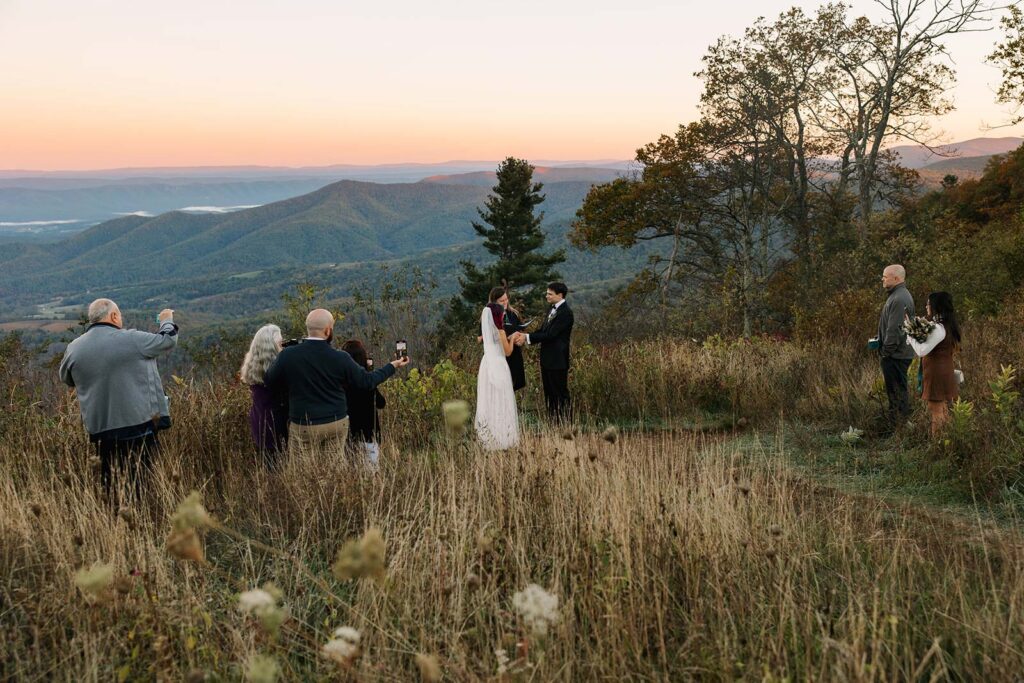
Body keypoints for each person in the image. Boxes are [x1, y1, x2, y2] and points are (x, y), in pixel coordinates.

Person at [58, 298, 178, 502]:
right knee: (139, 481)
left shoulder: (74, 348)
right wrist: (167, 320)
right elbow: (167, 340)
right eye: (119, 314)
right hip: (137, 426)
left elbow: (66, 378)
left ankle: (115, 524)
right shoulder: (131, 339)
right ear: (113, 316)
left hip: (100, 431)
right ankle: (140, 523)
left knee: (111, 483)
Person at [264, 309, 408, 461]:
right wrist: (393, 365)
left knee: (302, 471)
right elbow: (367, 381)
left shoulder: (288, 355)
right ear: (327, 331)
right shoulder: (341, 357)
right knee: (333, 467)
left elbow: (269, 381)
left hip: (304, 423)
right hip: (336, 422)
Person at [513, 282, 574, 421]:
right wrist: (525, 336)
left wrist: (526, 338)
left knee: (560, 393)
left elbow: (551, 335)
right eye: (547, 293)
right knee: (549, 393)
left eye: (549, 294)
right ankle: (553, 422)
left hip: (558, 360)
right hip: (547, 359)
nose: (546, 296)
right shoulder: (551, 309)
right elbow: (543, 331)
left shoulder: (565, 313)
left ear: (560, 295)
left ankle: (565, 423)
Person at [906, 292, 961, 436]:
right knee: (942, 407)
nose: (926, 306)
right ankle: (948, 440)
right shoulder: (946, 325)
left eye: (928, 303)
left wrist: (910, 335)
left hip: (936, 372)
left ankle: (937, 444)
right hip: (944, 369)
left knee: (935, 409)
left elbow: (922, 350)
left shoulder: (938, 328)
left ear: (936, 306)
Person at [240, 324, 288, 468]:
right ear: (271, 347)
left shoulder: (253, 368)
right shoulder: (278, 371)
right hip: (276, 422)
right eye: (280, 343)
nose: (283, 346)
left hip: (259, 419)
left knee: (269, 464)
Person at [475, 299, 519, 450]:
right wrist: (512, 339)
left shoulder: (487, 331)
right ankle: (503, 438)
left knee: (488, 399)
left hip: (487, 363)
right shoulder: (500, 331)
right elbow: (508, 351)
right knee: (502, 400)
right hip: (499, 364)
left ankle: (488, 436)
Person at [877, 265, 916, 428]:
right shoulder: (897, 295)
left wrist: (886, 352)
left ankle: (898, 428)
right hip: (897, 353)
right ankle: (897, 426)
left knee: (897, 393)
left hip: (896, 355)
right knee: (896, 392)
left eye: (885, 276)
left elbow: (895, 329)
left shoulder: (899, 298)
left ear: (896, 279)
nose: (882, 279)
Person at [341, 339, 387, 466]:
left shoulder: (341, 383)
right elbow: (381, 403)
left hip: (348, 436)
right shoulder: (367, 382)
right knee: (371, 475)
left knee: (350, 474)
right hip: (369, 435)